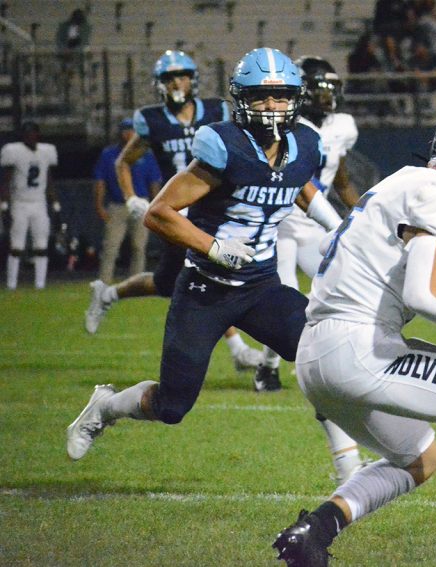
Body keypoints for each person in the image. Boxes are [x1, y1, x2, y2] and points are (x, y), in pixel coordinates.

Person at [271, 107, 436, 567]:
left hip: (313, 355)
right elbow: (424, 292)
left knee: (419, 458)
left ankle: (312, 533)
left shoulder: (406, 181)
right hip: (358, 347)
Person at [65, 48, 343, 466]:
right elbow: (159, 213)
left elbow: (299, 183)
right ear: (240, 100)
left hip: (262, 286)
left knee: (322, 354)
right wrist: (214, 247)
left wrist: (337, 227)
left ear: (295, 98)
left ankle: (349, 462)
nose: (271, 107)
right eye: (260, 97)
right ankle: (104, 407)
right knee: (172, 406)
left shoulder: (305, 142)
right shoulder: (225, 144)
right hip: (205, 289)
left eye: (281, 96)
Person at [83, 50, 262, 372]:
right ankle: (238, 349)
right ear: (159, 84)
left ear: (192, 80)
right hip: (178, 213)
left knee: (174, 280)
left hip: (215, 207)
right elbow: (123, 161)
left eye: (180, 76)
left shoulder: (216, 110)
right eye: (168, 78)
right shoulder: (152, 120)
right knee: (205, 273)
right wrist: (131, 198)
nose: (175, 83)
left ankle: (108, 294)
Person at [254, 54, 366, 485]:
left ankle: (341, 362)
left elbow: (338, 179)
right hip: (281, 224)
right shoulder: (284, 125)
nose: (327, 94)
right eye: (319, 86)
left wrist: (360, 210)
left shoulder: (343, 126)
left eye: (330, 86)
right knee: (284, 297)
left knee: (340, 289)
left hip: (317, 224)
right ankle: (268, 365)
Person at [93, 118, 162, 284]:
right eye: (125, 130)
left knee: (139, 247)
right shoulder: (109, 154)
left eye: (131, 130)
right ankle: (104, 282)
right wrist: (99, 205)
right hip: (118, 205)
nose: (128, 134)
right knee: (111, 246)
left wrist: (157, 205)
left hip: (141, 203)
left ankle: (135, 282)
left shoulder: (146, 154)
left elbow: (154, 182)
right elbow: (100, 181)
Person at [1, 121, 60, 290]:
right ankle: (11, 284)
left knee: (41, 245)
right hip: (19, 202)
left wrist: (55, 205)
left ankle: (40, 284)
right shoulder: (14, 152)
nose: (30, 136)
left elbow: (48, 180)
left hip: (39, 203)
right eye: (27, 133)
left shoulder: (45, 152)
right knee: (16, 246)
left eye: (33, 133)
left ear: (37, 134)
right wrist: (4, 207)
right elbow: (6, 181)